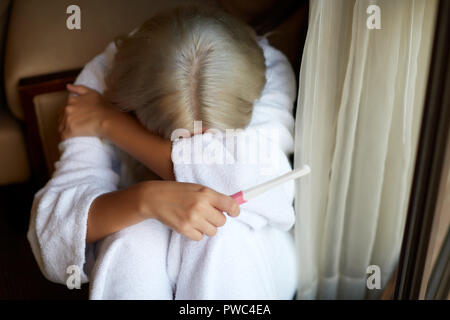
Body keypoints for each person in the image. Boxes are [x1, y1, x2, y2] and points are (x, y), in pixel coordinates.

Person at [28, 5, 297, 299]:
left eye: (208, 143)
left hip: (251, 252)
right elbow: (52, 233)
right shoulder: (105, 75)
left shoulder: (269, 69)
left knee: (219, 228)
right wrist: (145, 199)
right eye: (180, 139)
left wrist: (110, 123)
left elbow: (253, 181)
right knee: (133, 238)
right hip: (150, 246)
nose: (195, 150)